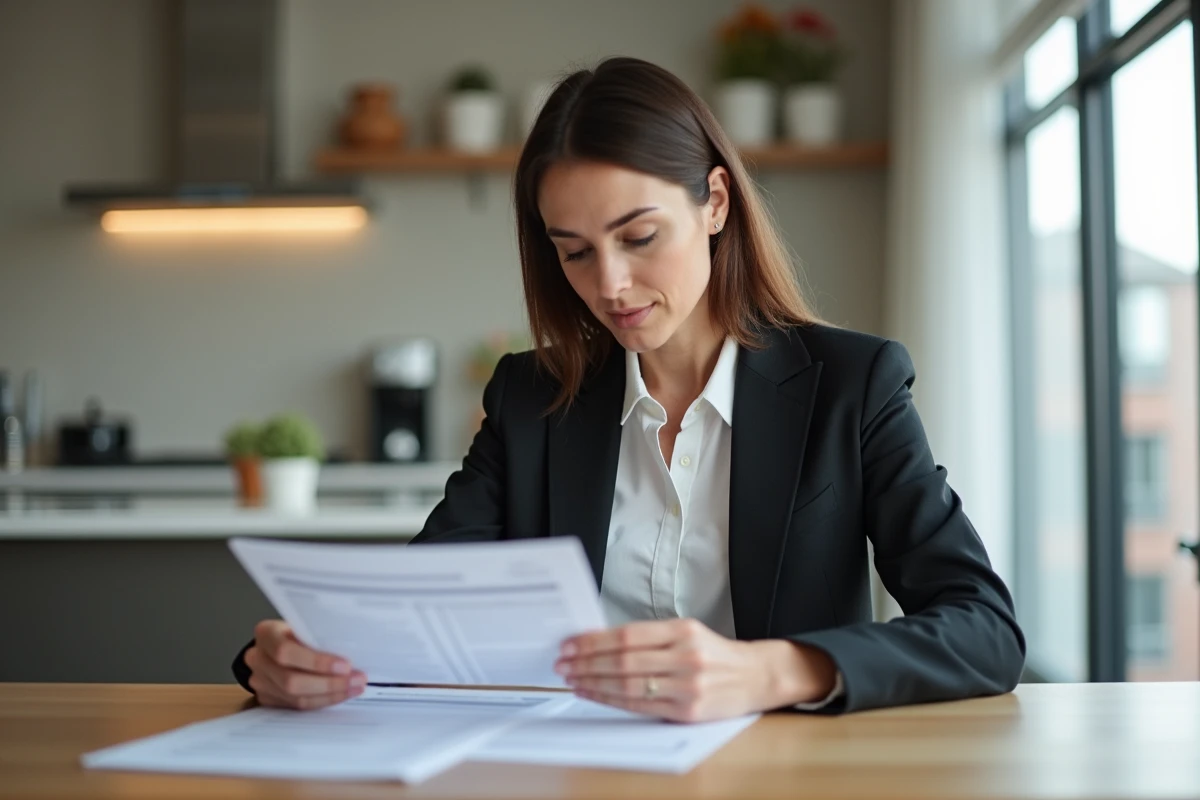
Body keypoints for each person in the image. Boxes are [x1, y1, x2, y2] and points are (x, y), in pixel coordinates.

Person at [232, 56, 1024, 721]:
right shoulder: (531, 397)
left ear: (714, 203)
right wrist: (279, 659)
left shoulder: (853, 385)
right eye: (573, 252)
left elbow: (984, 629)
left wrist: (773, 672)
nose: (610, 285)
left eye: (639, 237)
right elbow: (419, 605)